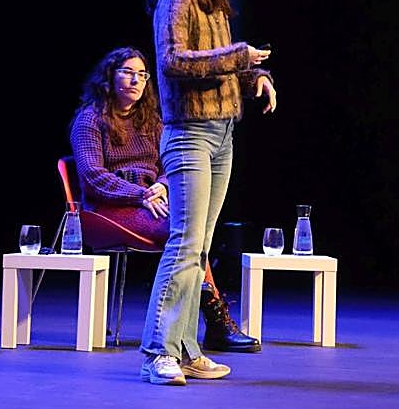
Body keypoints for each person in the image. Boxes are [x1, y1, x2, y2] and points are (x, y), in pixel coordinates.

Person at [139, 0, 276, 385]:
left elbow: (223, 65)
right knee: (183, 243)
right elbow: (173, 61)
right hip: (189, 135)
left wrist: (255, 75)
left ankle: (187, 348)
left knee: (199, 249)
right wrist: (238, 56)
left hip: (222, 134)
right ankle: (157, 351)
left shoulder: (214, 2)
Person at [70, 46, 260, 353]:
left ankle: (207, 322)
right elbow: (93, 176)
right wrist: (141, 194)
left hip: (152, 201)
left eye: (142, 75)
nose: (135, 80)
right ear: (109, 77)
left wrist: (161, 185)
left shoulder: (152, 121)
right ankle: (214, 321)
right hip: (108, 208)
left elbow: (169, 164)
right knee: (184, 232)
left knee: (193, 228)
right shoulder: (90, 120)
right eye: (127, 72)